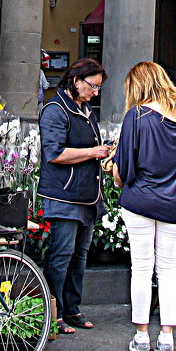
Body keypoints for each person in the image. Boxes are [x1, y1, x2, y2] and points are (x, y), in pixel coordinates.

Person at [111, 61, 176, 351]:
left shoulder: (137, 115)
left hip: (140, 200)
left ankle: (141, 336)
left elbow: (122, 171)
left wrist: (114, 172)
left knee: (142, 269)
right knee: (168, 269)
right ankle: (167, 338)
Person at [37, 57, 110, 335]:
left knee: (79, 256)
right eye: (93, 86)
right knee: (61, 255)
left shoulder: (85, 109)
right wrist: (93, 152)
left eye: (99, 87)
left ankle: (73, 309)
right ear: (76, 81)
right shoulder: (55, 110)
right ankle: (51, 312)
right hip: (64, 196)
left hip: (88, 195)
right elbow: (53, 153)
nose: (96, 92)